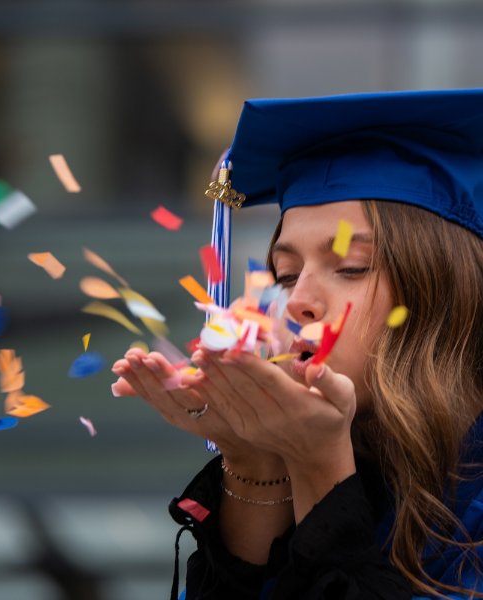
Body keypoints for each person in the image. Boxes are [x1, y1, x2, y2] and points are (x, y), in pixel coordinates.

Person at [111, 89, 483, 599]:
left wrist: (318, 465)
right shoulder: (341, 450)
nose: (297, 302)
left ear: (442, 292)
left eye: (351, 267)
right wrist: (251, 459)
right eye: (286, 275)